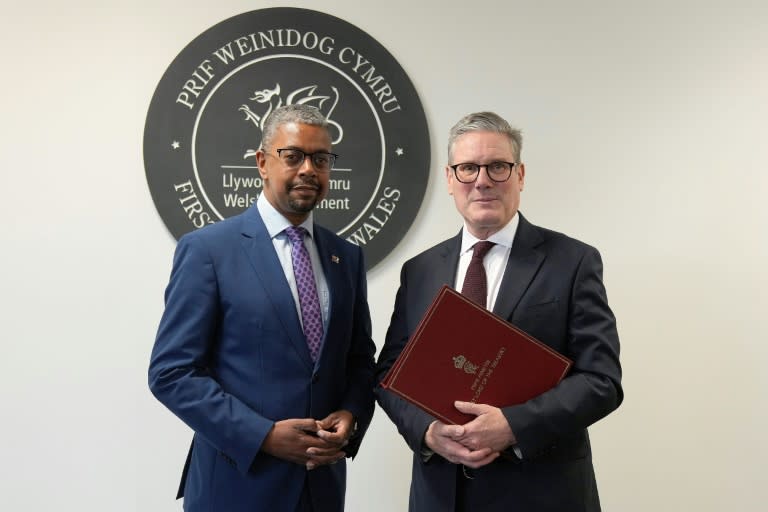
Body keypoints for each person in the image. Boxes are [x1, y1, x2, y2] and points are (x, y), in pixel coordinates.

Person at [375, 111, 622, 511]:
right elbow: (389, 374)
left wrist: (514, 426)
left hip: (543, 494)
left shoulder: (573, 262)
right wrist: (427, 432)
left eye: (497, 166)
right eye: (468, 168)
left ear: (520, 175)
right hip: (441, 495)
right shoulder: (419, 270)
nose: (482, 180)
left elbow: (602, 381)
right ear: (450, 179)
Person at [149, 104, 376, 512]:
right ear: (261, 163)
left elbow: (359, 358)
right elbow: (171, 373)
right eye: (293, 156)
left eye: (320, 159)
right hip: (236, 487)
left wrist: (351, 413)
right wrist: (262, 435)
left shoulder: (347, 257)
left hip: (320, 491)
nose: (309, 169)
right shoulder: (208, 250)